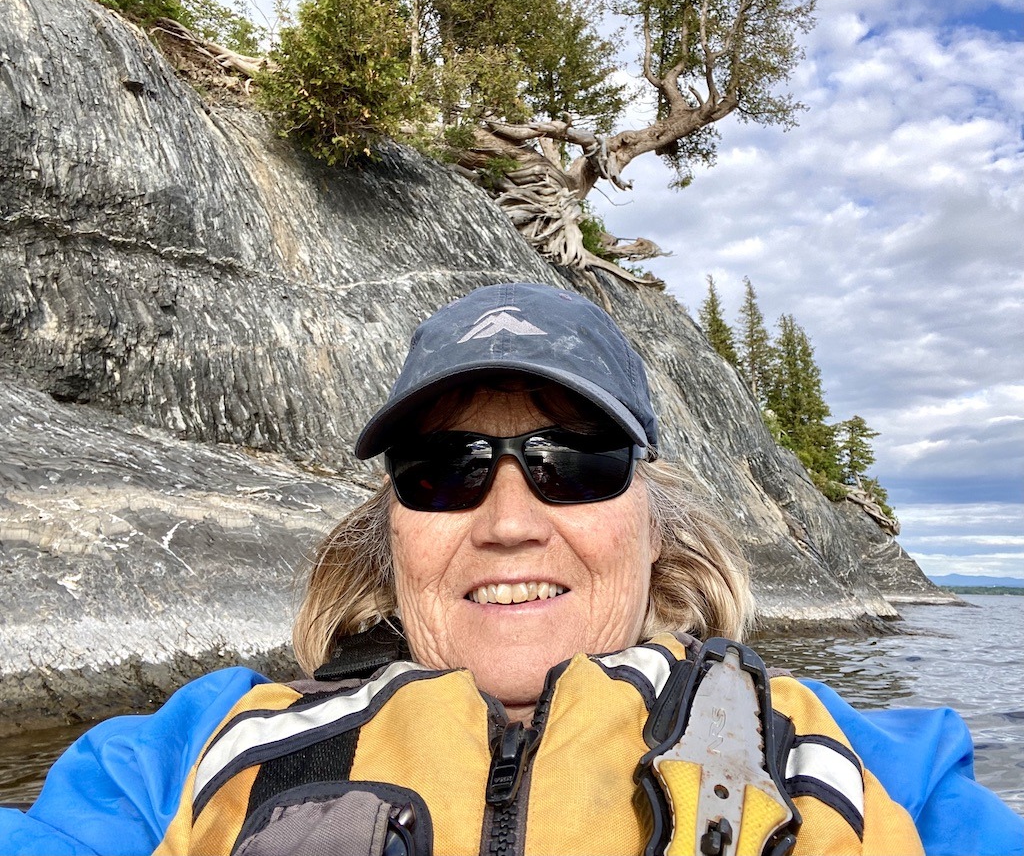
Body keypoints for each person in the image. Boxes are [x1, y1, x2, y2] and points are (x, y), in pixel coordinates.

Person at [2, 282, 1021, 856]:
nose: (508, 521)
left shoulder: (887, 766)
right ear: (389, 530)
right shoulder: (171, 758)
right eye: (443, 471)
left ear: (652, 524)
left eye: (572, 464)